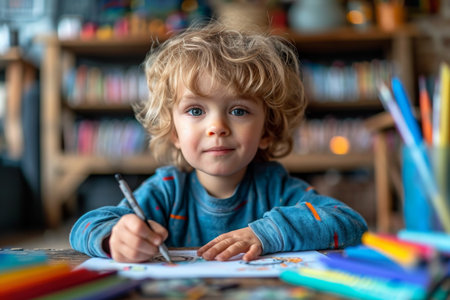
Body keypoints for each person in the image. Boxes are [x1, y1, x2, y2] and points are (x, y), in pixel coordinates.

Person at [70, 22, 367, 263]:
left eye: (238, 111)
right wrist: (115, 237)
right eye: (196, 111)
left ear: (266, 130)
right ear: (174, 132)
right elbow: (83, 228)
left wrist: (267, 233)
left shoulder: (275, 188)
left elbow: (350, 222)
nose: (217, 127)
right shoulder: (167, 191)